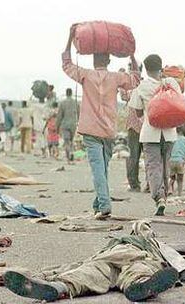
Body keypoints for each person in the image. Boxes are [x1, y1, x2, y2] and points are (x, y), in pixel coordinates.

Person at [2, 220, 185, 302]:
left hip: (124, 261)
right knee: (86, 272)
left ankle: (140, 288)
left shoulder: (156, 246)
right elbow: (184, 269)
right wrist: (45, 275)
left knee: (88, 274)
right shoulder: (145, 244)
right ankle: (54, 289)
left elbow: (184, 268)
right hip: (117, 259)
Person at [62, 24, 140, 219]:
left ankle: (104, 204)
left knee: (98, 169)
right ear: (109, 59)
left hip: (90, 130)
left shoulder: (86, 75)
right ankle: (98, 204)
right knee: (102, 168)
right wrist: (131, 56)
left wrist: (69, 38)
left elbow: (66, 63)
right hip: (108, 130)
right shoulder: (116, 77)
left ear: (94, 58)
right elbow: (136, 79)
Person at [128, 54, 181, 216]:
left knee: (153, 166)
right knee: (165, 165)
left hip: (150, 133)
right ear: (161, 66)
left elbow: (137, 112)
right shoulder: (171, 83)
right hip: (170, 133)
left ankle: (159, 197)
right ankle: (164, 194)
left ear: (146, 68)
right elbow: (179, 100)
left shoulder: (141, 87)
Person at [119, 64, 147, 193]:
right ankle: (150, 184)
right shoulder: (146, 85)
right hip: (147, 125)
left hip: (134, 126)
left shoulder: (130, 87)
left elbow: (124, 96)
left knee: (133, 156)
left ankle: (134, 184)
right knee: (149, 156)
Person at [56, 88, 78, 163]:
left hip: (65, 124)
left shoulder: (63, 103)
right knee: (71, 140)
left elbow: (59, 116)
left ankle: (68, 156)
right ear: (71, 93)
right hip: (73, 124)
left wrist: (57, 126)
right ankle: (72, 152)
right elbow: (79, 113)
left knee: (66, 141)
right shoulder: (75, 102)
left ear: (66, 93)